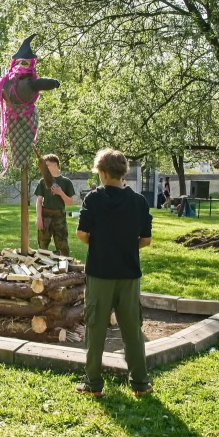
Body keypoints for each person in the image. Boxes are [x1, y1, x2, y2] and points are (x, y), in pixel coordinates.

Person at [74, 149, 153, 398]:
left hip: (99, 274)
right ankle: (140, 383)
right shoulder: (139, 201)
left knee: (95, 328)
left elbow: (81, 234)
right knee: (132, 329)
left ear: (103, 173)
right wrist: (126, 247)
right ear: (122, 173)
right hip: (129, 274)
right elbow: (146, 240)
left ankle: (93, 384)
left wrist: (100, 246)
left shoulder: (93, 199)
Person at [34, 154, 76, 256]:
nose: (46, 168)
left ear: (55, 165)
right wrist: (39, 218)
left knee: (63, 246)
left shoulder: (66, 182)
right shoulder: (43, 181)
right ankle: (43, 268)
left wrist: (60, 192)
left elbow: (70, 202)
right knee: (43, 245)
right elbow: (39, 201)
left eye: (47, 165)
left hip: (59, 217)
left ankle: (65, 269)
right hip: (45, 216)